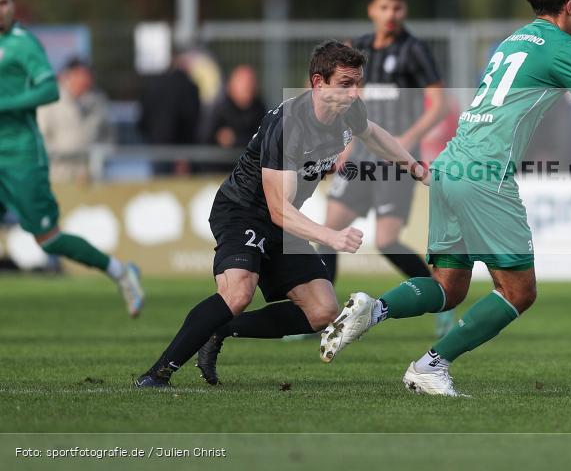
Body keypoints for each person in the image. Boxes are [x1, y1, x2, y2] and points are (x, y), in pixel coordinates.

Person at [318, 0, 571, 396]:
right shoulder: (561, 46)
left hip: (451, 165)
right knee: (519, 291)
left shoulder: (512, 41)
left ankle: (375, 308)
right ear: (569, 6)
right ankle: (430, 365)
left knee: (448, 287)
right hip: (485, 177)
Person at [134, 40, 429, 388]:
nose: (354, 92)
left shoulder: (348, 109)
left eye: (357, 82)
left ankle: (221, 330)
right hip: (243, 211)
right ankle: (157, 375)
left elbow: (374, 135)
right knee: (238, 293)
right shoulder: (289, 126)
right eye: (346, 83)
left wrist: (415, 168)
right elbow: (277, 209)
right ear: (319, 83)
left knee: (322, 312)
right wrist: (330, 235)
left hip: (284, 219)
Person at [0, 0, 143, 316]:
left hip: (21, 155)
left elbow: (49, 89)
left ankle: (120, 271)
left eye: (3, 2)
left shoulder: (23, 44)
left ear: (12, 6)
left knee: (47, 237)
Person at [320, 0, 452, 336]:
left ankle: (441, 297)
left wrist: (404, 142)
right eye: (384, 7)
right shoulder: (358, 48)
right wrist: (344, 147)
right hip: (360, 157)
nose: (391, 14)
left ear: (404, 11)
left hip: (395, 162)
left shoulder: (414, 51)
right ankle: (319, 314)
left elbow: (440, 105)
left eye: (397, 8)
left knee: (387, 240)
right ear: (371, 10)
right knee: (327, 232)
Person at [37, 58, 110, 183]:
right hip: (58, 175)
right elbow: (40, 137)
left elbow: (108, 136)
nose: (84, 80)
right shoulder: (49, 100)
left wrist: (100, 157)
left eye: (87, 75)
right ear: (68, 75)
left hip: (89, 176)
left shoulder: (98, 101)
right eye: (79, 75)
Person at [137, 53, 201, 175]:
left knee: (160, 187)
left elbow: (143, 117)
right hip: (181, 150)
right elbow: (192, 121)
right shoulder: (189, 87)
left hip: (157, 145)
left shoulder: (153, 85)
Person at [202, 64, 267, 171]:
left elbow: (263, 141)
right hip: (219, 172)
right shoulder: (219, 109)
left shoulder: (260, 109)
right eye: (244, 83)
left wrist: (235, 140)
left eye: (251, 82)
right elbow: (205, 140)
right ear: (231, 85)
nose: (248, 87)